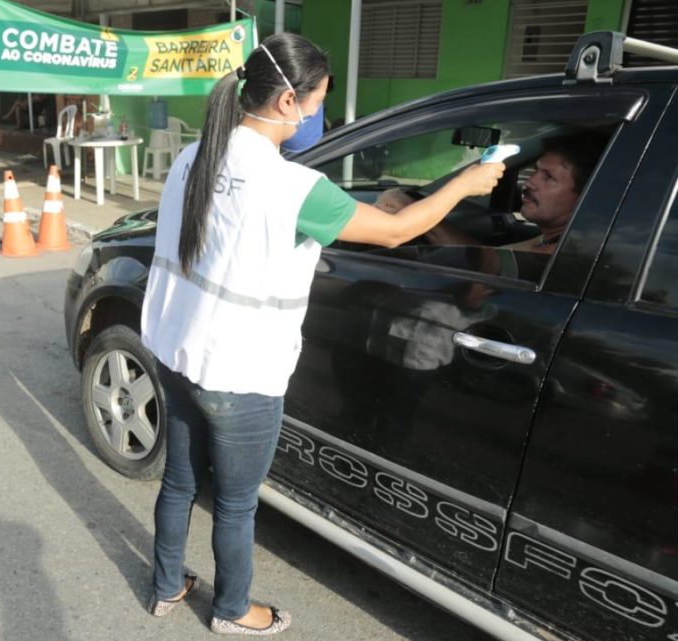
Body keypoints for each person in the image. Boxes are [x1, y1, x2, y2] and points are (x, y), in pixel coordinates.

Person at [140, 32, 502, 635]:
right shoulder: (292, 187)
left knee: (179, 482)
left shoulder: (193, 155)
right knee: (234, 503)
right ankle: (231, 610)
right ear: (287, 102)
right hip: (240, 373)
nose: (318, 117)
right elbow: (395, 231)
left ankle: (165, 585)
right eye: (317, 103)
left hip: (177, 350)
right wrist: (462, 186)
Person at [376, 134, 605, 254]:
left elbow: (483, 265)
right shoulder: (550, 239)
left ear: (584, 197)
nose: (531, 182)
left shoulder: (561, 252)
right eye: (535, 171)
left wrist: (417, 214)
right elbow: (490, 256)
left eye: (549, 177)